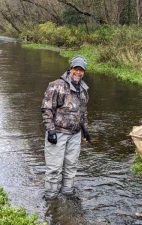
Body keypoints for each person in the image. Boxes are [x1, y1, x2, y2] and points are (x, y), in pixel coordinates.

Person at [41, 56, 91, 200]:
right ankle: (51, 196)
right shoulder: (56, 85)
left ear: (84, 72)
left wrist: (85, 130)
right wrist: (50, 130)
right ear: (70, 69)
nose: (78, 72)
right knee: (54, 167)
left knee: (71, 165)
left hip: (75, 134)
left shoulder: (83, 89)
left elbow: (83, 112)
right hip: (57, 132)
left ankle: (68, 192)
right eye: (76, 69)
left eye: (81, 70)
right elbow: (46, 109)